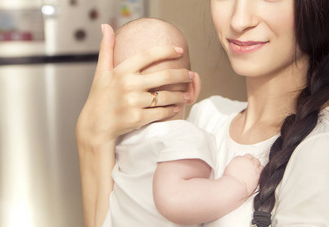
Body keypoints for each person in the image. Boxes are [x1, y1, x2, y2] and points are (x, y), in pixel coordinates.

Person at [76, 0, 329, 226]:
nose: (239, 20)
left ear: (324, 0)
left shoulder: (328, 155)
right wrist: (91, 137)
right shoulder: (207, 117)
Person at [101, 17, 263, 227]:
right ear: (191, 88)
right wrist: (236, 183)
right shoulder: (180, 135)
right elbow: (174, 199)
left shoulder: (123, 141)